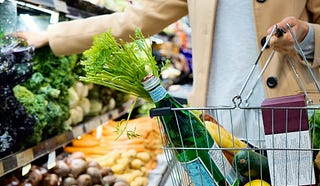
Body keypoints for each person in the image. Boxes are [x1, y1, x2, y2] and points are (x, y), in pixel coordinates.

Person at [14, 0, 320, 142]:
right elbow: (132, 21)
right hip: (216, 121)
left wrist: (307, 37)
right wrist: (55, 36)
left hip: (293, 115)